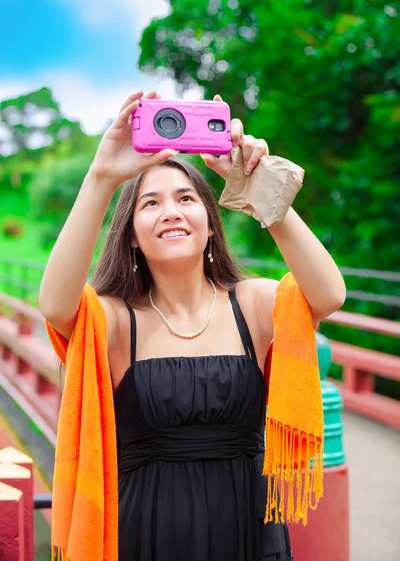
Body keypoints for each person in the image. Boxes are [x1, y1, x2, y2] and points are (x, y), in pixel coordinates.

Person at [39, 89, 346, 561]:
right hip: (145, 533)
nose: (171, 211)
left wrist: (261, 188)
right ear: (134, 237)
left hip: (248, 531)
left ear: (209, 223)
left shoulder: (254, 303)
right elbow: (56, 304)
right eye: (150, 203)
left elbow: (329, 294)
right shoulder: (118, 321)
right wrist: (102, 175)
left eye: (185, 198)